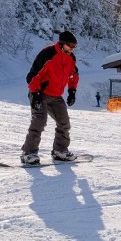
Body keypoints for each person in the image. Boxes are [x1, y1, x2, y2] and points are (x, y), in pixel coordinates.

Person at [21, 31, 80, 164]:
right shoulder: (48, 54)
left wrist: (72, 91)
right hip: (39, 93)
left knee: (64, 123)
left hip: (55, 96)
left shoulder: (71, 58)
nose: (72, 48)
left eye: (74, 46)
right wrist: (35, 94)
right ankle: (28, 153)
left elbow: (73, 74)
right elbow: (32, 76)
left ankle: (60, 150)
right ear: (62, 43)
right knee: (39, 120)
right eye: (70, 45)